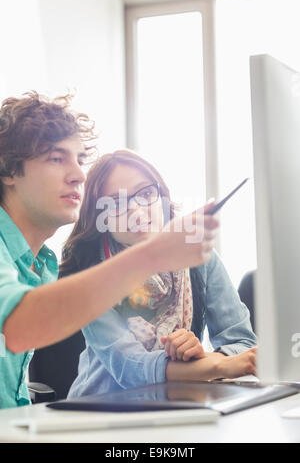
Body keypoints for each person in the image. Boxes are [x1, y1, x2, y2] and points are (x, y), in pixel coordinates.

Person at [0, 92, 220, 409]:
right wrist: (153, 254)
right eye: (56, 158)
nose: (79, 175)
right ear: (7, 169)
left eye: (79, 159)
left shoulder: (41, 265)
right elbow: (18, 328)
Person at [59, 150, 257, 399]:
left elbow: (242, 343)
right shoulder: (91, 274)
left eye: (145, 194)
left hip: (181, 405)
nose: (137, 212)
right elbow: (131, 368)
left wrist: (197, 354)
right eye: (116, 204)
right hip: (100, 411)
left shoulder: (198, 257)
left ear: (162, 196)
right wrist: (217, 365)